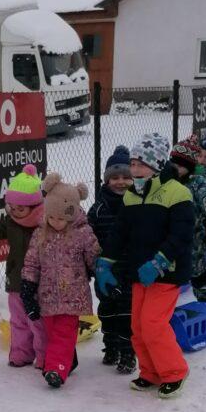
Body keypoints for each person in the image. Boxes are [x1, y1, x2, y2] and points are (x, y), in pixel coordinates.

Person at [119, 133, 195, 400]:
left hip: (166, 272)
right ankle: (150, 372)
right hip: (140, 273)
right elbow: (120, 233)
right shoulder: (131, 195)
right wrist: (106, 261)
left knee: (153, 323)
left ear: (157, 165)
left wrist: (159, 261)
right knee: (138, 326)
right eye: (133, 163)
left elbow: (182, 234)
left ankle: (174, 371)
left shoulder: (177, 192)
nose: (135, 169)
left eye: (141, 164)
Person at [20, 174, 100, 388]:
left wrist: (101, 272)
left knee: (64, 333)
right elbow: (31, 262)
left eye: (61, 218)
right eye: (52, 217)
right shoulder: (40, 234)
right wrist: (28, 286)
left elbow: (94, 255)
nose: (56, 222)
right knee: (51, 332)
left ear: (72, 215)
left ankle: (56, 369)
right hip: (47, 295)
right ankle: (67, 359)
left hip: (72, 296)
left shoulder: (82, 233)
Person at [86, 147, 136, 372]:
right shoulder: (98, 209)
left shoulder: (138, 205)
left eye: (126, 177)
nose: (121, 182)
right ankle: (111, 346)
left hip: (130, 271)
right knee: (107, 311)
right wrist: (93, 267)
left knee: (127, 314)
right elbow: (87, 240)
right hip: (105, 272)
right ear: (106, 181)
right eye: (115, 177)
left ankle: (128, 353)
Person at [1, 163, 47, 369]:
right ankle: (21, 354)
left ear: (34, 206)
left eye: (21, 208)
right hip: (16, 281)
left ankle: (44, 356)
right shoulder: (10, 221)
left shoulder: (45, 224)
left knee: (38, 322)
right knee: (18, 320)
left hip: (38, 284)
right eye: (13, 208)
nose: (16, 212)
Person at [169, 137, 206, 302]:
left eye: (181, 165)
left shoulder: (197, 181)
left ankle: (204, 299)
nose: (176, 168)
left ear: (190, 166)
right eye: (174, 163)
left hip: (193, 237)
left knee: (198, 271)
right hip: (170, 236)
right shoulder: (166, 180)